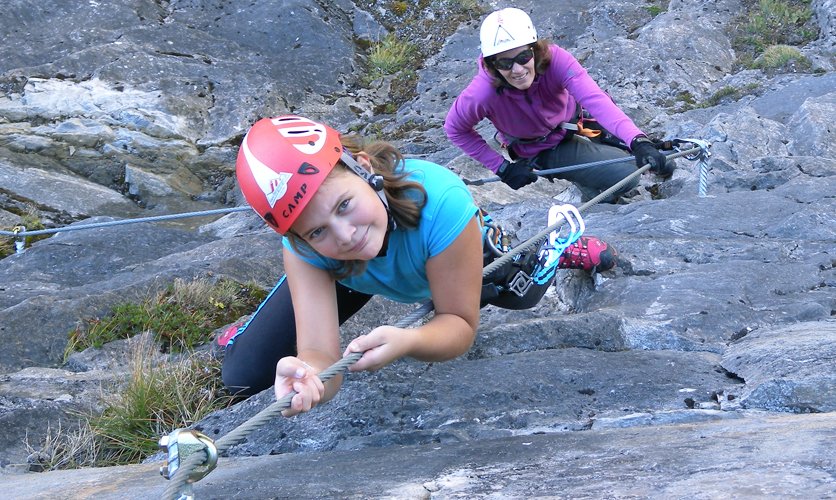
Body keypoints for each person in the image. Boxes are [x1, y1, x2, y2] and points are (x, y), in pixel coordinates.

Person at [222, 114, 617, 414]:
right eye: (317, 231)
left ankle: (555, 247)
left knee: (522, 295)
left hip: (453, 252)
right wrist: (310, 379)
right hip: (349, 274)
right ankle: (252, 328)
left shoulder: (441, 202)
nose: (345, 235)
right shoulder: (308, 249)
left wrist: (409, 341)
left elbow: (458, 325)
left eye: (345, 205)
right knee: (244, 377)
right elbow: (322, 358)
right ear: (299, 238)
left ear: (365, 168)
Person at [444, 7, 674, 201]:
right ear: (492, 64)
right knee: (627, 175)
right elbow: (455, 129)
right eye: (505, 62)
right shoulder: (482, 93)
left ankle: (597, 165)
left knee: (659, 160)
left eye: (523, 57)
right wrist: (501, 167)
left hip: (576, 118)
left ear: (534, 50)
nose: (517, 69)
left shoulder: (556, 60)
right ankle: (587, 188)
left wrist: (637, 140)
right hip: (541, 147)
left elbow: (595, 100)